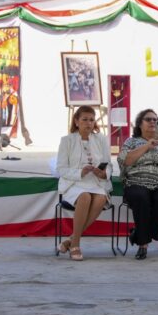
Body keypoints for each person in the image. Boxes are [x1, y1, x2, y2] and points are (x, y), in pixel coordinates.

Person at [117, 108, 158, 260]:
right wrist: (147, 145)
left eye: (156, 119)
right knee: (141, 197)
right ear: (140, 124)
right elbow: (125, 160)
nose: (153, 122)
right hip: (137, 181)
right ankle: (143, 245)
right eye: (148, 119)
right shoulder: (131, 141)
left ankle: (140, 234)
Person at [56, 105, 113, 261]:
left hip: (96, 182)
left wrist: (103, 173)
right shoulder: (66, 140)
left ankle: (70, 240)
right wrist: (80, 172)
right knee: (85, 197)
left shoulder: (101, 139)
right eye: (85, 119)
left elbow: (109, 164)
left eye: (92, 120)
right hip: (73, 183)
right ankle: (76, 244)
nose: (89, 123)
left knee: (101, 199)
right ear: (76, 121)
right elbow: (61, 169)